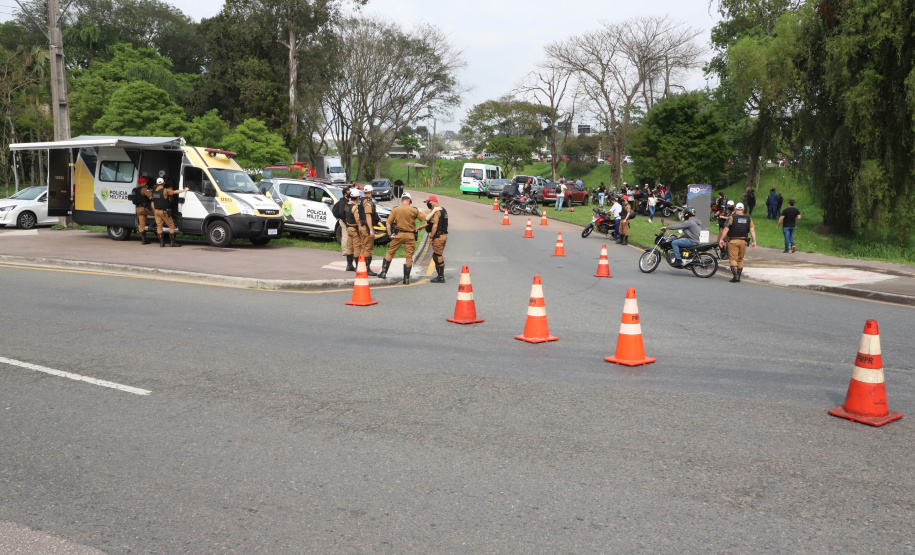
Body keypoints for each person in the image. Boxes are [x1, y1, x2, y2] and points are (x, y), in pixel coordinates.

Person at [377, 192, 437, 284]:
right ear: (409, 200)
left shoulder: (396, 210)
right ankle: (406, 279)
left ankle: (384, 273)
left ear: (401, 200)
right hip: (410, 236)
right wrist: (435, 210)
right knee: (409, 257)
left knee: (390, 252)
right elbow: (427, 218)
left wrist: (389, 235)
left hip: (399, 235)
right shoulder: (414, 210)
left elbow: (388, 223)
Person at [718, 202, 757, 283]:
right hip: (744, 241)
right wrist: (754, 241)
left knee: (733, 259)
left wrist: (721, 239)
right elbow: (752, 230)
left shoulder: (732, 217)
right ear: (743, 209)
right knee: (740, 259)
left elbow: (726, 229)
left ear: (735, 209)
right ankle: (738, 275)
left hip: (733, 241)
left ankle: (735, 276)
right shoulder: (748, 218)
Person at [150, 177, 188, 247]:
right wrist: (184, 190)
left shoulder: (153, 191)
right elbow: (175, 192)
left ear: (156, 183)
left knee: (159, 227)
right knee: (172, 226)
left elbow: (152, 203)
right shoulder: (165, 191)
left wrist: (154, 210)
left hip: (156, 211)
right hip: (163, 211)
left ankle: (161, 243)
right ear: (164, 183)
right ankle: (172, 242)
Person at [425, 195, 448, 283]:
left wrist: (431, 237)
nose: (428, 204)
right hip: (442, 235)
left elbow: (435, 225)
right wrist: (423, 226)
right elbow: (433, 223)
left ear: (433, 202)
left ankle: (440, 277)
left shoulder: (437, 211)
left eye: (429, 202)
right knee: (437, 255)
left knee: (437, 255)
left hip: (438, 236)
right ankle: (440, 275)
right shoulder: (443, 209)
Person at [358, 184, 379, 276]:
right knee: (368, 248)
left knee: (362, 247)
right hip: (366, 227)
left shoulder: (360, 200)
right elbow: (368, 215)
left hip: (361, 227)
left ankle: (361, 267)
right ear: (372, 192)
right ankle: (367, 268)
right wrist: (371, 229)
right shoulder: (368, 201)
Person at [331, 186, 353, 269]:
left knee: (347, 236)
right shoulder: (343, 202)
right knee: (345, 236)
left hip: (345, 221)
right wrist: (345, 221)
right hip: (343, 221)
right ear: (345, 194)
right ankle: (344, 251)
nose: (350, 192)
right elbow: (341, 212)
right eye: (348, 191)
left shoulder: (346, 201)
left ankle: (347, 250)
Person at [129, 176, 154, 245]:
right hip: (145, 209)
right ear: (143, 183)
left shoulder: (135, 190)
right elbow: (150, 196)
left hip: (138, 209)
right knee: (159, 213)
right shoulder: (143, 189)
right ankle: (152, 224)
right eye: (145, 182)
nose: (146, 183)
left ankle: (143, 240)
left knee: (141, 224)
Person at [343, 189, 362, 271]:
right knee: (357, 247)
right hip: (354, 229)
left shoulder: (347, 204)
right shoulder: (355, 207)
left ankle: (349, 265)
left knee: (350, 247)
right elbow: (357, 219)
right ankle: (358, 266)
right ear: (357, 198)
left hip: (348, 228)